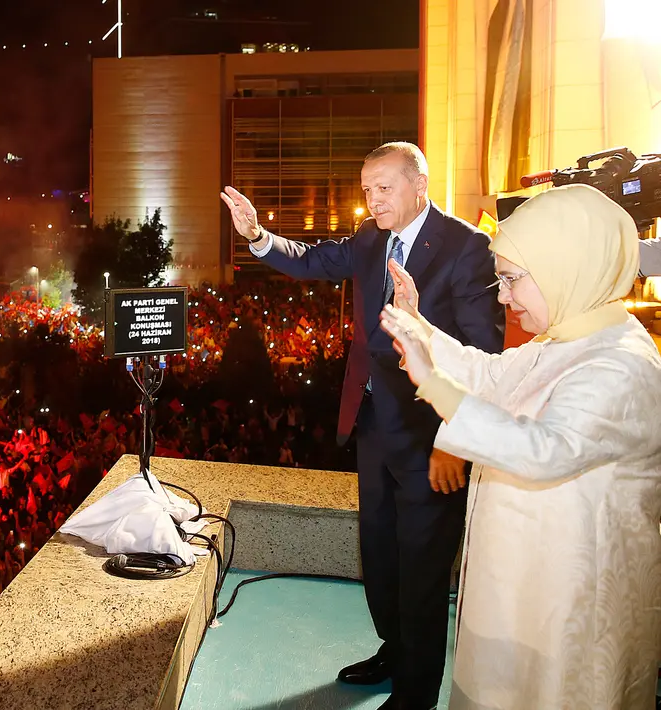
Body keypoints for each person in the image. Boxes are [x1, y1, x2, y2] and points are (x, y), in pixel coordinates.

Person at [221, 141, 504, 710]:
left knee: (423, 569)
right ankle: (394, 651)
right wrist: (257, 236)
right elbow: (309, 260)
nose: (372, 199)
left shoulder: (466, 248)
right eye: (367, 188)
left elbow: (484, 355)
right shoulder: (370, 239)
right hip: (374, 426)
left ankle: (417, 691)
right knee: (379, 555)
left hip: (432, 441)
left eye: (384, 187)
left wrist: (456, 440)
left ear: (418, 185)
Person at [380, 183, 661, 709]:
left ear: (566, 267)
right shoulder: (567, 339)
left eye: (511, 280)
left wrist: (434, 384)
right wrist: (419, 329)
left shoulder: (619, 363)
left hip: (570, 602)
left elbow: (546, 449)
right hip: (519, 582)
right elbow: (488, 375)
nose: (503, 297)